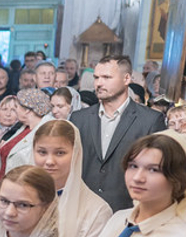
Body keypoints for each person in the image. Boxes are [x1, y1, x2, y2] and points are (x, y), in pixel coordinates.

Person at [70, 55, 166, 211]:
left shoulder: (150, 120)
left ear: (126, 78)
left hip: (127, 211)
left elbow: (157, 172)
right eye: (96, 78)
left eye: (107, 77)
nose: (99, 83)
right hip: (82, 210)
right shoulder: (79, 118)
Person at [0, 88, 52, 200]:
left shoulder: (46, 132)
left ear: (27, 110)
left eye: (16, 108)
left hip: (22, 196)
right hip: (6, 192)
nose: (14, 111)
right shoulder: (24, 128)